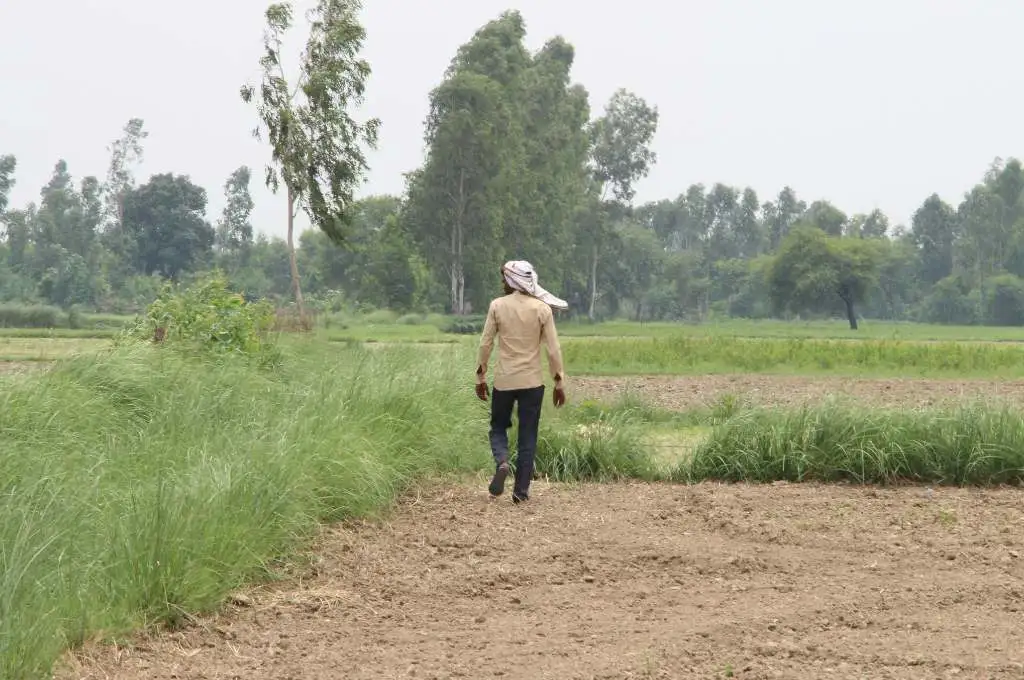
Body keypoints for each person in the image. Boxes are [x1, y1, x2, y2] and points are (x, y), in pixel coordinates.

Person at [475, 260, 567, 504]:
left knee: (498, 427)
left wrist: (481, 376)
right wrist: (558, 383)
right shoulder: (542, 309)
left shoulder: (497, 306)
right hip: (532, 383)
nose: (502, 283)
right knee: (528, 435)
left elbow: (485, 344)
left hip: (504, 381)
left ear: (512, 281)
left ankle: (503, 462)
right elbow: (553, 350)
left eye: (504, 279)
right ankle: (521, 491)